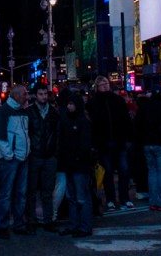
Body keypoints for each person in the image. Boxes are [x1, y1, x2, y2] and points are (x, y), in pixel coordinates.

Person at [87, 76, 133, 211]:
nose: (105, 86)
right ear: (97, 87)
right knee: (107, 173)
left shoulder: (117, 100)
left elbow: (126, 120)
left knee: (123, 170)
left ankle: (124, 198)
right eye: (102, 85)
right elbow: (93, 125)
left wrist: (128, 137)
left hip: (119, 141)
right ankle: (110, 199)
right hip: (104, 143)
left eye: (106, 84)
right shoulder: (94, 103)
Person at [0, 84, 32, 238]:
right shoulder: (4, 112)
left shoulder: (23, 110)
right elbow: (0, 136)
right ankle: (3, 225)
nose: (27, 96)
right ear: (16, 96)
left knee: (20, 193)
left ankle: (18, 223)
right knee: (7, 193)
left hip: (22, 156)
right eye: (24, 94)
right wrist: (9, 155)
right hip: (11, 158)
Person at [57, 93, 93, 237]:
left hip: (79, 164)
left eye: (71, 104)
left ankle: (84, 226)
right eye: (68, 104)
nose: (69, 106)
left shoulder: (83, 122)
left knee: (81, 196)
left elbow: (84, 145)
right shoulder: (67, 120)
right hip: (70, 164)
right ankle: (75, 225)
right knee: (73, 197)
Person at [25, 83, 60, 231]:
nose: (43, 96)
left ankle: (47, 221)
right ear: (35, 95)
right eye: (40, 94)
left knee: (47, 190)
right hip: (34, 155)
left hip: (49, 155)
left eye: (45, 94)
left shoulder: (53, 112)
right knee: (32, 190)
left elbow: (57, 134)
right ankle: (32, 221)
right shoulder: (29, 112)